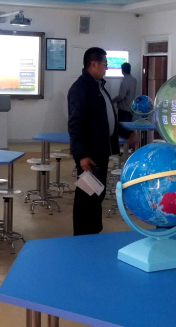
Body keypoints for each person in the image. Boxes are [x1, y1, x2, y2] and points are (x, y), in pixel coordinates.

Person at [67, 47, 119, 236]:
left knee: (97, 193)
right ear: (94, 64)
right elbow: (75, 124)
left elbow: (105, 116)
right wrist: (81, 155)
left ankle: (93, 232)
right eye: (105, 64)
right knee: (87, 195)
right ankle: (82, 236)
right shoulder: (81, 89)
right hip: (89, 155)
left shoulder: (98, 86)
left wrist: (124, 132)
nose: (106, 68)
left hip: (100, 151)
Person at [112, 62, 138, 142]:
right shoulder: (134, 80)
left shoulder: (124, 82)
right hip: (131, 108)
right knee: (129, 128)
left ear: (122, 70)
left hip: (123, 109)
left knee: (123, 130)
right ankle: (130, 146)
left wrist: (113, 100)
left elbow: (121, 96)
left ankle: (124, 146)